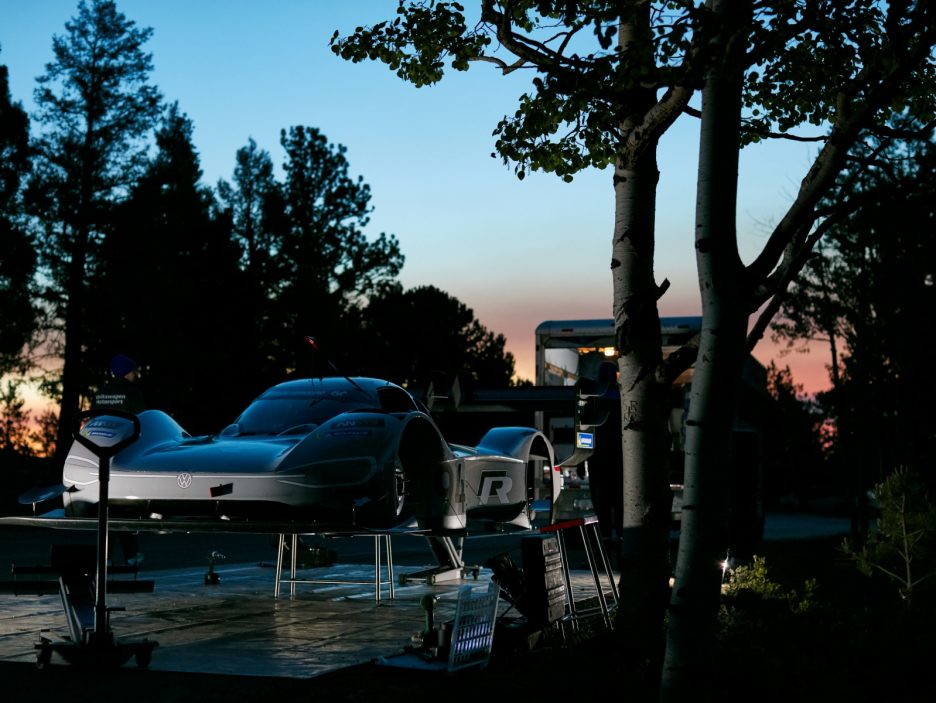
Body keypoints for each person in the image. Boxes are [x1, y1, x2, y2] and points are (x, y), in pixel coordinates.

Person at [92, 353, 145, 565]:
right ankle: (130, 554)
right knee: (124, 507)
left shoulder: (101, 393)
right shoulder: (133, 394)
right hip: (126, 453)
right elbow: (141, 423)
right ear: (126, 372)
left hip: (102, 453)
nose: (135, 374)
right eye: (133, 371)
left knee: (106, 505)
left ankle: (105, 556)